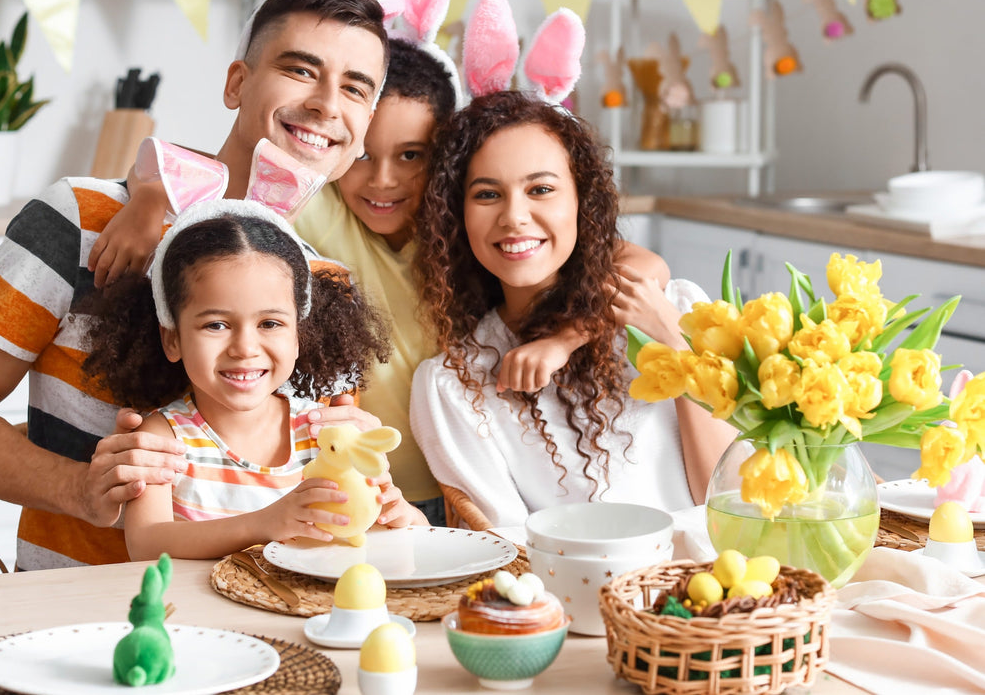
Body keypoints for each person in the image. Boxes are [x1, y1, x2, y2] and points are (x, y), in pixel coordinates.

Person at [0, 0, 391, 570]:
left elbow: (329, 475)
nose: (327, 104)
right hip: (81, 614)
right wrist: (83, 490)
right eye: (300, 70)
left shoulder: (330, 289)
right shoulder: (84, 221)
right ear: (237, 83)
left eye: (356, 88)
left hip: (272, 618)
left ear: (365, 123)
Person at [93, 37, 671, 524]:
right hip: (361, 480)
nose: (383, 181)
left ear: (444, 159)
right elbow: (187, 162)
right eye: (365, 156)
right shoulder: (324, 207)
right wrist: (147, 197)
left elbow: (641, 267)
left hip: (464, 485)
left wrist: (564, 339)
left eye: (412, 156)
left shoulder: (473, 235)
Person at [410, 91, 736, 529]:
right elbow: (507, 551)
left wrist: (676, 344)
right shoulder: (455, 385)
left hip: (730, 584)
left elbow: (731, 502)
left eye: (541, 189)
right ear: (458, 214)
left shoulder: (673, 308)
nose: (515, 217)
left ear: (582, 200)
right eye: (487, 194)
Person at [82, 202, 425, 560]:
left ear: (297, 338)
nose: (245, 348)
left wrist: (404, 517)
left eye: (270, 324)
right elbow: (147, 544)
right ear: (173, 339)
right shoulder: (163, 438)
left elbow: (382, 532)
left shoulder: (325, 434)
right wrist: (265, 523)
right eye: (216, 325)